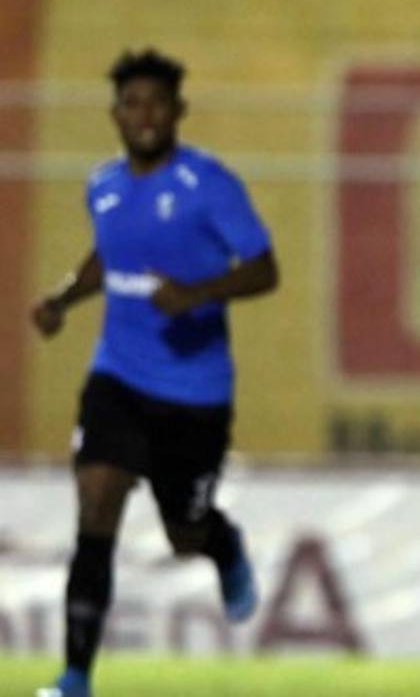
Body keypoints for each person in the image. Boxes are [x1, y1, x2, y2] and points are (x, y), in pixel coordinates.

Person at [31, 50, 279, 697]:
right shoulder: (103, 184)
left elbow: (263, 268)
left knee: (183, 531)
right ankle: (75, 676)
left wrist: (196, 294)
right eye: (132, 103)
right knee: (96, 499)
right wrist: (62, 298)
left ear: (177, 111)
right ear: (115, 114)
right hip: (117, 376)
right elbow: (105, 254)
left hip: (194, 394)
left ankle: (222, 545)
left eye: (156, 103)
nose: (144, 115)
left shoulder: (209, 184)